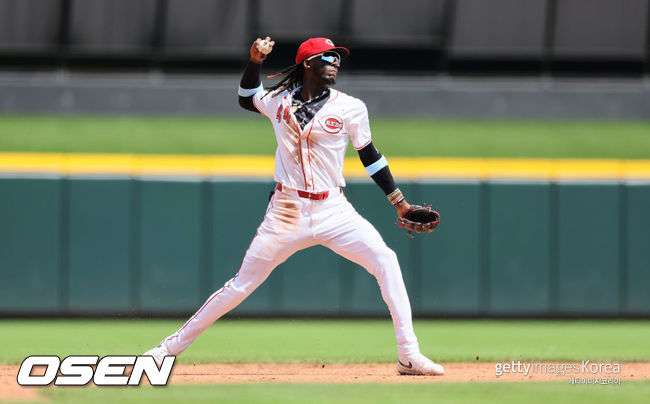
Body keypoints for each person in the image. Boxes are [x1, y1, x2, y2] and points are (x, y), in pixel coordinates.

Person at [144, 36, 444, 376]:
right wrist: (255, 60)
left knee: (386, 260)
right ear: (307, 63)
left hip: (334, 210)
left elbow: (370, 156)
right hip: (286, 211)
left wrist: (400, 203)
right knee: (242, 284)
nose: (335, 62)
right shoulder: (278, 100)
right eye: (328, 56)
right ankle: (165, 350)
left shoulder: (350, 107)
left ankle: (408, 355)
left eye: (338, 58)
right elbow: (245, 98)